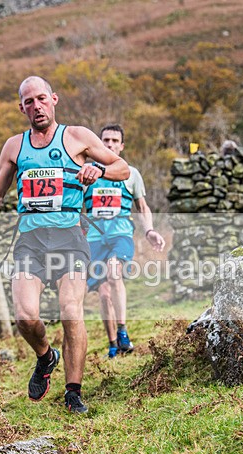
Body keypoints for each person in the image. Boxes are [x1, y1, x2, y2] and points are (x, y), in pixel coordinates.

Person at [0, 76, 130, 414]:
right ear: (22, 108)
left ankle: (73, 391)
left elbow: (122, 168)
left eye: (41, 98)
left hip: (70, 237)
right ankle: (46, 357)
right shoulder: (14, 146)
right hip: (30, 240)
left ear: (54, 99)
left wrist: (97, 171)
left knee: (70, 311)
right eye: (29, 102)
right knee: (25, 317)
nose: (36, 106)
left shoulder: (77, 136)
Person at [83, 124, 166, 358]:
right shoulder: (87, 172)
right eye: (105, 140)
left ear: (121, 146)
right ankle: (112, 344)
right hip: (94, 238)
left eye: (114, 141)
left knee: (114, 273)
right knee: (104, 294)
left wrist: (149, 230)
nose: (109, 145)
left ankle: (122, 330)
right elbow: (73, 205)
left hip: (121, 234)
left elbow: (142, 207)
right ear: (99, 144)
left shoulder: (132, 173)